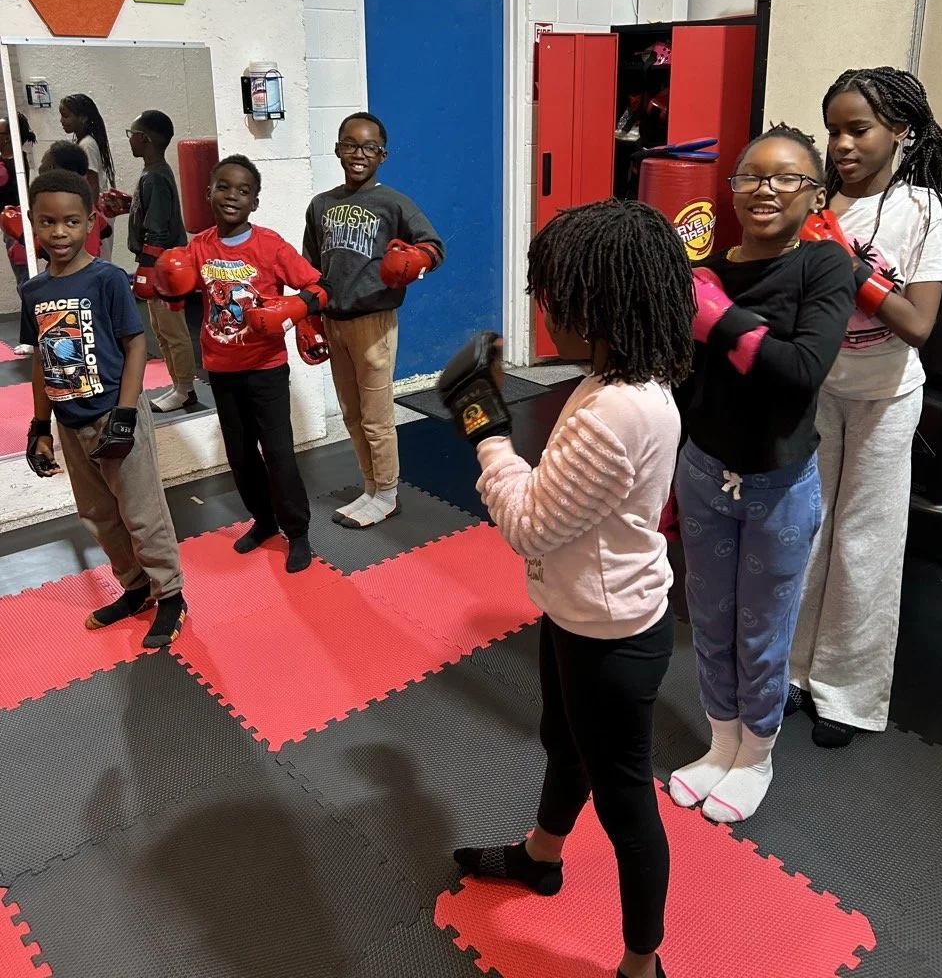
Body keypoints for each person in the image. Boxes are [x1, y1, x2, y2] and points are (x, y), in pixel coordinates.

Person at [438, 199, 695, 978]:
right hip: (585, 611)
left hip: (609, 635)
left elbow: (529, 525)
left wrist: (484, 426)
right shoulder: (627, 378)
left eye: (554, 293)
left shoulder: (612, 412)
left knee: (626, 802)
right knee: (564, 740)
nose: (541, 308)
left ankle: (642, 964)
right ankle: (541, 858)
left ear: (598, 304)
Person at [669, 125, 854, 822]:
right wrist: (667, 477)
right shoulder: (711, 266)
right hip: (704, 471)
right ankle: (720, 744)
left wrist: (717, 317)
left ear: (814, 196)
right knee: (710, 620)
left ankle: (758, 755)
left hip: (779, 485)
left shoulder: (823, 269)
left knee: (763, 630)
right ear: (731, 188)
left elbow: (802, 372)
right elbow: (688, 385)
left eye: (786, 178)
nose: (765, 189)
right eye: (751, 176)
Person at [789, 68, 942, 748]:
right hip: (821, 387)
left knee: (865, 544)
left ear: (902, 132)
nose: (841, 144)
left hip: (888, 397)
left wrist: (846, 264)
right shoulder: (825, 205)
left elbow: (917, 324)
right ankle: (794, 672)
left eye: (857, 129)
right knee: (807, 531)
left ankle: (847, 694)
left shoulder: (926, 211)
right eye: (833, 130)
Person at [20, 168, 186, 648]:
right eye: (47, 222)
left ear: (90, 221)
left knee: (141, 512)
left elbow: (136, 345)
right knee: (98, 515)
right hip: (70, 423)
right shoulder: (34, 292)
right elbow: (43, 362)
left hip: (115, 414)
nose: (59, 233)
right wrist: (39, 427)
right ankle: (136, 589)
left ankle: (170, 594)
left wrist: (127, 413)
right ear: (33, 223)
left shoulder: (107, 279)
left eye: (70, 222)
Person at [155, 155, 326, 574]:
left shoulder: (269, 246)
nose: (233, 196)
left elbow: (319, 287)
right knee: (241, 455)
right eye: (224, 187)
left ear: (255, 202)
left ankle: (297, 531)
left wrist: (295, 307)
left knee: (280, 453)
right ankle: (264, 521)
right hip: (220, 367)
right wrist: (165, 284)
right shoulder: (198, 247)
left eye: (244, 191)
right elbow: (176, 292)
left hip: (266, 367)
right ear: (208, 192)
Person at [302, 111, 444, 528]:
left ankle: (387, 494)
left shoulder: (393, 202)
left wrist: (415, 260)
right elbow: (310, 265)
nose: (358, 154)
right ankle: (370, 487)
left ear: (382, 155)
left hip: (374, 322)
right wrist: (309, 315)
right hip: (334, 320)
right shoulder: (321, 205)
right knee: (350, 413)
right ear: (337, 149)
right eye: (350, 144)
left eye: (368, 147)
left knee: (376, 415)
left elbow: (434, 245)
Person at [126, 110, 198, 414]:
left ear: (146, 139)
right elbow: (151, 215)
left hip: (164, 267)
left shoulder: (155, 175)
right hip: (159, 264)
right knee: (161, 330)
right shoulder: (152, 173)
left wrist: (146, 269)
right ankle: (178, 384)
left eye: (132, 134)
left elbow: (157, 229)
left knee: (173, 331)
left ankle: (185, 389)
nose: (130, 140)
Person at [59, 94, 117, 260]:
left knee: (98, 259)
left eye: (66, 116)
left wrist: (89, 215)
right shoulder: (85, 143)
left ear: (82, 118)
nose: (62, 121)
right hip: (95, 212)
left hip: (96, 212)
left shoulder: (87, 145)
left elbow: (92, 182)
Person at [1, 114, 37, 351]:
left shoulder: (18, 161)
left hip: (18, 226)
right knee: (21, 280)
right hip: (7, 227)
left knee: (26, 281)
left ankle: (32, 337)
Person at [38, 142, 112, 258]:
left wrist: (24, 236)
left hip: (74, 270)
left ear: (50, 168)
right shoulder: (84, 202)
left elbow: (48, 249)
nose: (40, 167)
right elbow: (106, 229)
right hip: (90, 267)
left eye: (43, 162)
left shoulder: (62, 207)